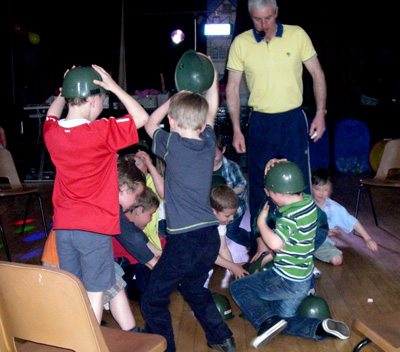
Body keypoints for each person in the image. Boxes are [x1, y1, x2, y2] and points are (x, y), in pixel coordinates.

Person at [141, 55, 236, 352]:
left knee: (153, 299)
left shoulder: (172, 145)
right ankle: (222, 338)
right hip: (209, 236)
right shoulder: (208, 140)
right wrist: (210, 76)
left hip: (184, 242)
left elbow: (149, 123)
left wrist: (173, 100)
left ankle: (165, 348)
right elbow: (213, 107)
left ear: (172, 120)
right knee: (195, 289)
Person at [43, 65, 149, 324]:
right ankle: (89, 343)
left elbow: (51, 115)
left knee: (75, 288)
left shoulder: (53, 134)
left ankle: (77, 337)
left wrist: (63, 92)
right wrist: (113, 86)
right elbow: (142, 118)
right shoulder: (100, 132)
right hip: (94, 229)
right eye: (102, 99)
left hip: (64, 230)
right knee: (94, 293)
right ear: (92, 100)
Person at [225, 0, 327, 243]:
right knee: (262, 183)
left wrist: (321, 113)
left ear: (277, 13)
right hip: (260, 122)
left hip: (293, 120)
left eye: (268, 18)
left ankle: (300, 242)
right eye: (257, 19)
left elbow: (317, 74)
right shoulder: (241, 43)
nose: (263, 25)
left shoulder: (297, 34)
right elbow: (231, 88)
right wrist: (237, 129)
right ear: (250, 17)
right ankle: (262, 245)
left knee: (298, 181)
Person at [229, 160, 350, 349]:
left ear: (278, 194)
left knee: (239, 288)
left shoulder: (289, 218)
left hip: (286, 279)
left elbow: (276, 244)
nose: (267, 194)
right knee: (283, 321)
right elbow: (288, 184)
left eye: (268, 191)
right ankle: (319, 328)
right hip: (303, 278)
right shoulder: (309, 204)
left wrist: (261, 222)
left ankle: (265, 321)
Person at [41, 156, 148, 332]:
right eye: (137, 196)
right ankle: (92, 335)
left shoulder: (91, 192)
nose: (136, 201)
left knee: (113, 283)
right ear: (124, 188)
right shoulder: (107, 206)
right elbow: (130, 236)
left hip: (64, 250)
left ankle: (130, 331)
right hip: (65, 256)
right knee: (98, 290)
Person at [311, 168, 378, 265]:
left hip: (320, 243)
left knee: (337, 260)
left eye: (325, 190)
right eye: (317, 189)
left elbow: (352, 221)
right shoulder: (304, 202)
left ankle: (311, 255)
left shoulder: (333, 208)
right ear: (310, 187)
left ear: (331, 191)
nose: (321, 193)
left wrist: (368, 239)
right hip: (302, 241)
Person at [112, 185, 162, 302]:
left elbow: (153, 250)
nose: (151, 219)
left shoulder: (132, 229)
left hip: (122, 270)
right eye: (151, 214)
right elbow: (150, 261)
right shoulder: (127, 235)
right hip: (116, 268)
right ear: (139, 210)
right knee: (141, 266)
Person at [205, 184, 249, 289]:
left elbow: (222, 247)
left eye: (233, 214)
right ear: (213, 211)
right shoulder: (203, 226)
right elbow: (208, 254)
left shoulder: (220, 223)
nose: (232, 218)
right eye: (227, 215)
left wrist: (233, 268)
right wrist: (232, 266)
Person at [213, 134, 253, 250]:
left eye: (215, 154)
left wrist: (229, 191)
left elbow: (242, 185)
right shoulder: (203, 168)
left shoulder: (232, 167)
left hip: (235, 205)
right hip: (214, 207)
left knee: (231, 230)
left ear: (223, 150)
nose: (211, 158)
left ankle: (253, 243)